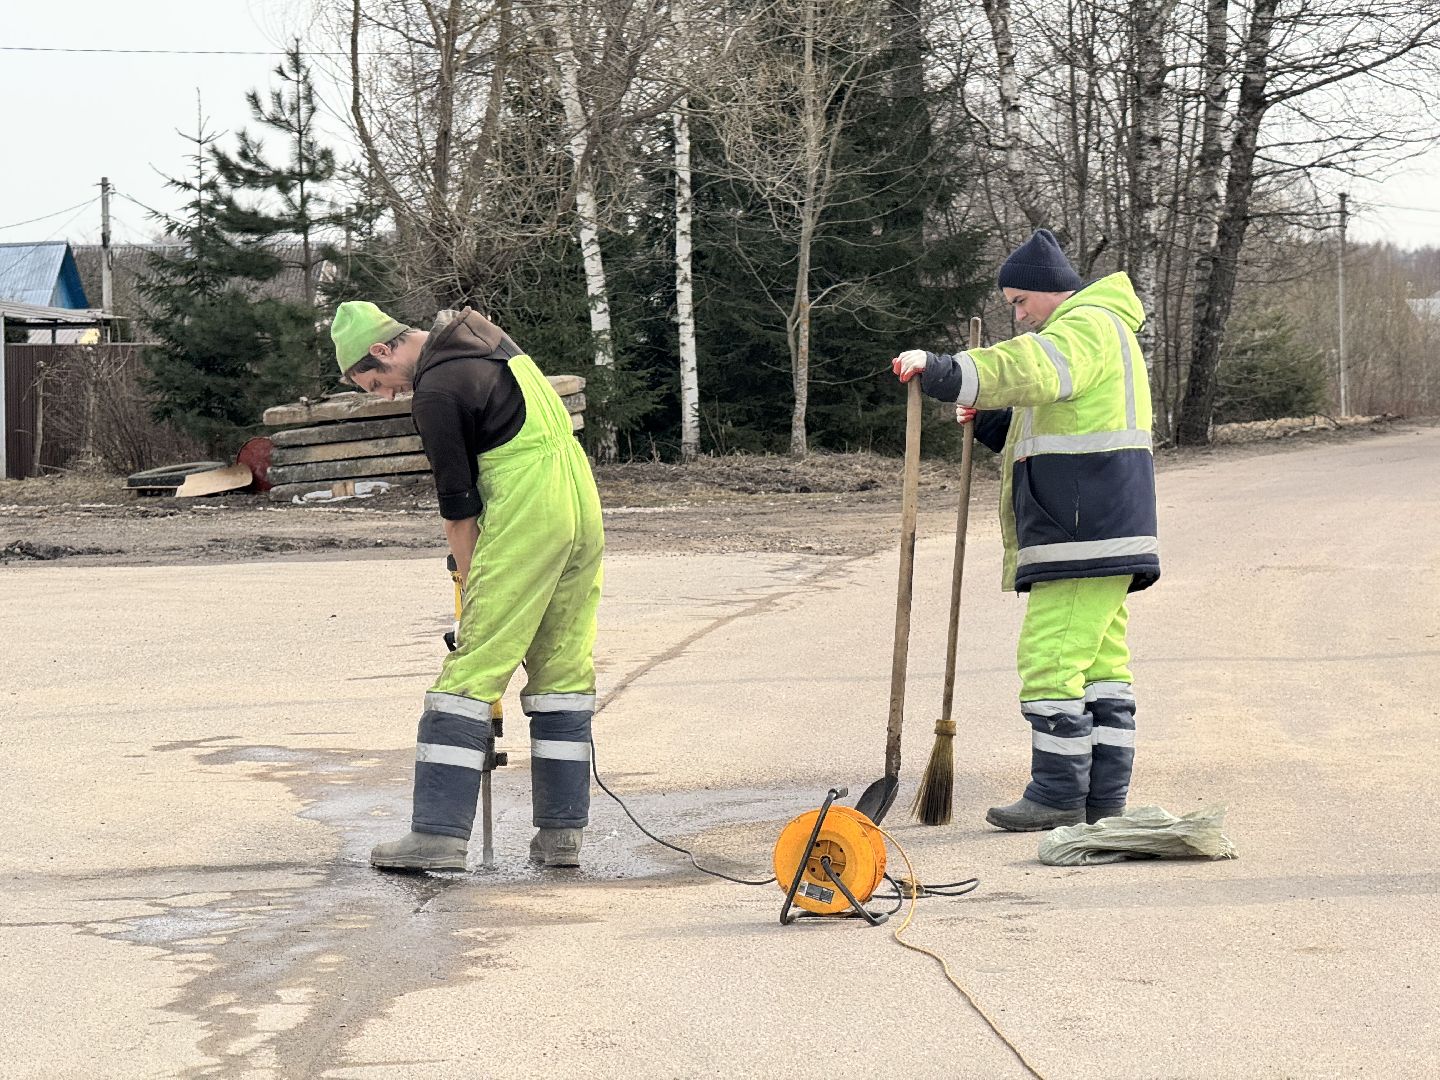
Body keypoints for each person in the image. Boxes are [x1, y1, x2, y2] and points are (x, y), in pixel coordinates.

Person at [891, 229, 1159, 831]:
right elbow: (1055, 418)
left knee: (1049, 658)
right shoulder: (1099, 331)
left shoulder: (1084, 327)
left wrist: (942, 370)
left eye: (1019, 301)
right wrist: (991, 422)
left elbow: (1029, 368)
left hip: (1082, 530)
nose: (1017, 314)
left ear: (1047, 290)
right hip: (1102, 529)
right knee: (1099, 667)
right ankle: (1099, 799)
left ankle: (1058, 794)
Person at [329, 301, 604, 869]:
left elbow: (459, 509)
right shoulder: (487, 342)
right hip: (579, 502)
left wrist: (469, 577)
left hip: (528, 511)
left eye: (376, 383)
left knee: (472, 667)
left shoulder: (436, 389)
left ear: (382, 350)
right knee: (562, 669)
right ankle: (562, 836)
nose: (386, 396)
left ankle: (438, 835)